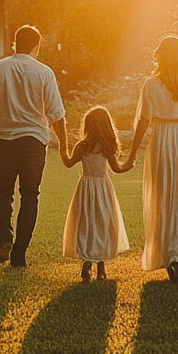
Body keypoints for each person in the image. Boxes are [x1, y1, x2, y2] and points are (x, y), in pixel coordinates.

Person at [0, 25, 68, 268]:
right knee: (30, 197)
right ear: (37, 45)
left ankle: (5, 238)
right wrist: (64, 147)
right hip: (34, 143)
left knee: (3, 194)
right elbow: (57, 116)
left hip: (5, 141)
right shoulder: (44, 72)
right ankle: (19, 253)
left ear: (14, 43)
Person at [126, 36, 178, 282]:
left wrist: (133, 152)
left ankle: (169, 254)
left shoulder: (152, 84)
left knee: (163, 199)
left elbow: (143, 121)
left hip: (162, 140)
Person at [59, 105, 133, 281]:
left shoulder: (82, 146)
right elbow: (117, 168)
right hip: (103, 188)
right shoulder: (107, 146)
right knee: (103, 224)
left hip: (85, 188)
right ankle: (101, 269)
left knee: (87, 224)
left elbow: (69, 163)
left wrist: (62, 147)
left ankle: (87, 261)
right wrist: (131, 162)